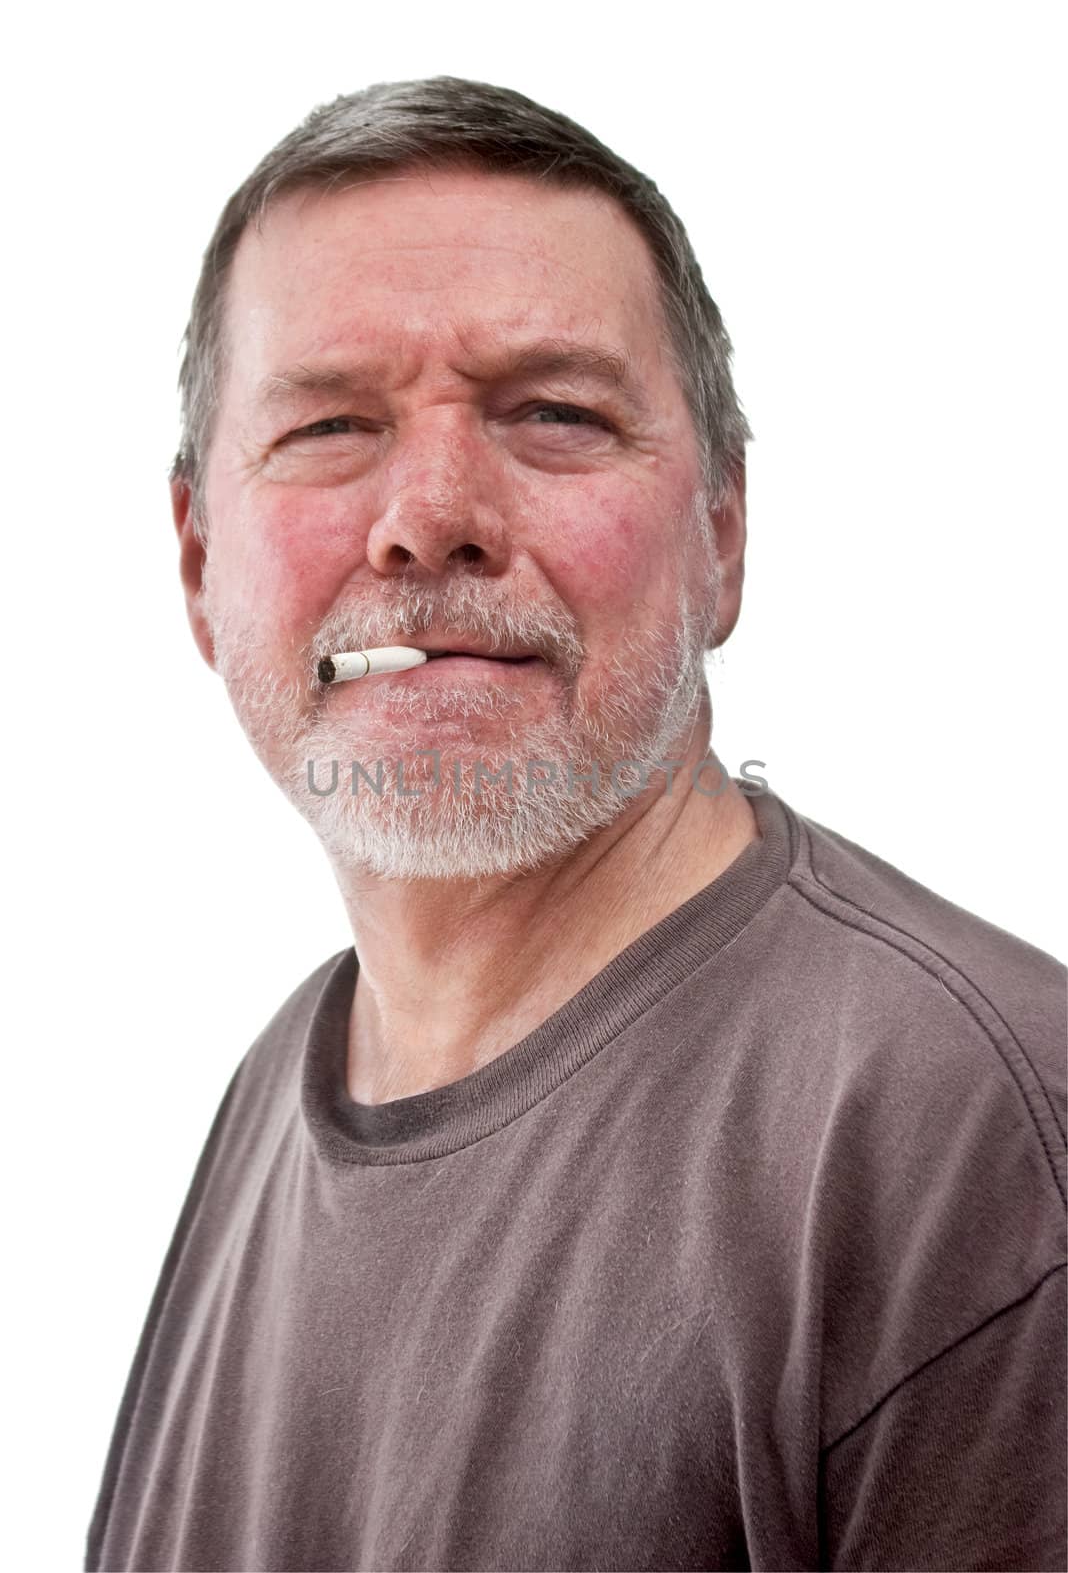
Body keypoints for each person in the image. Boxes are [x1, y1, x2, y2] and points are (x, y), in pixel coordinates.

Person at [86, 76, 1066, 1573]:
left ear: (723, 535)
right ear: (197, 561)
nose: (430, 514)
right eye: (332, 424)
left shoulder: (968, 1141)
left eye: (553, 414)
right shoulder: (273, 1092)